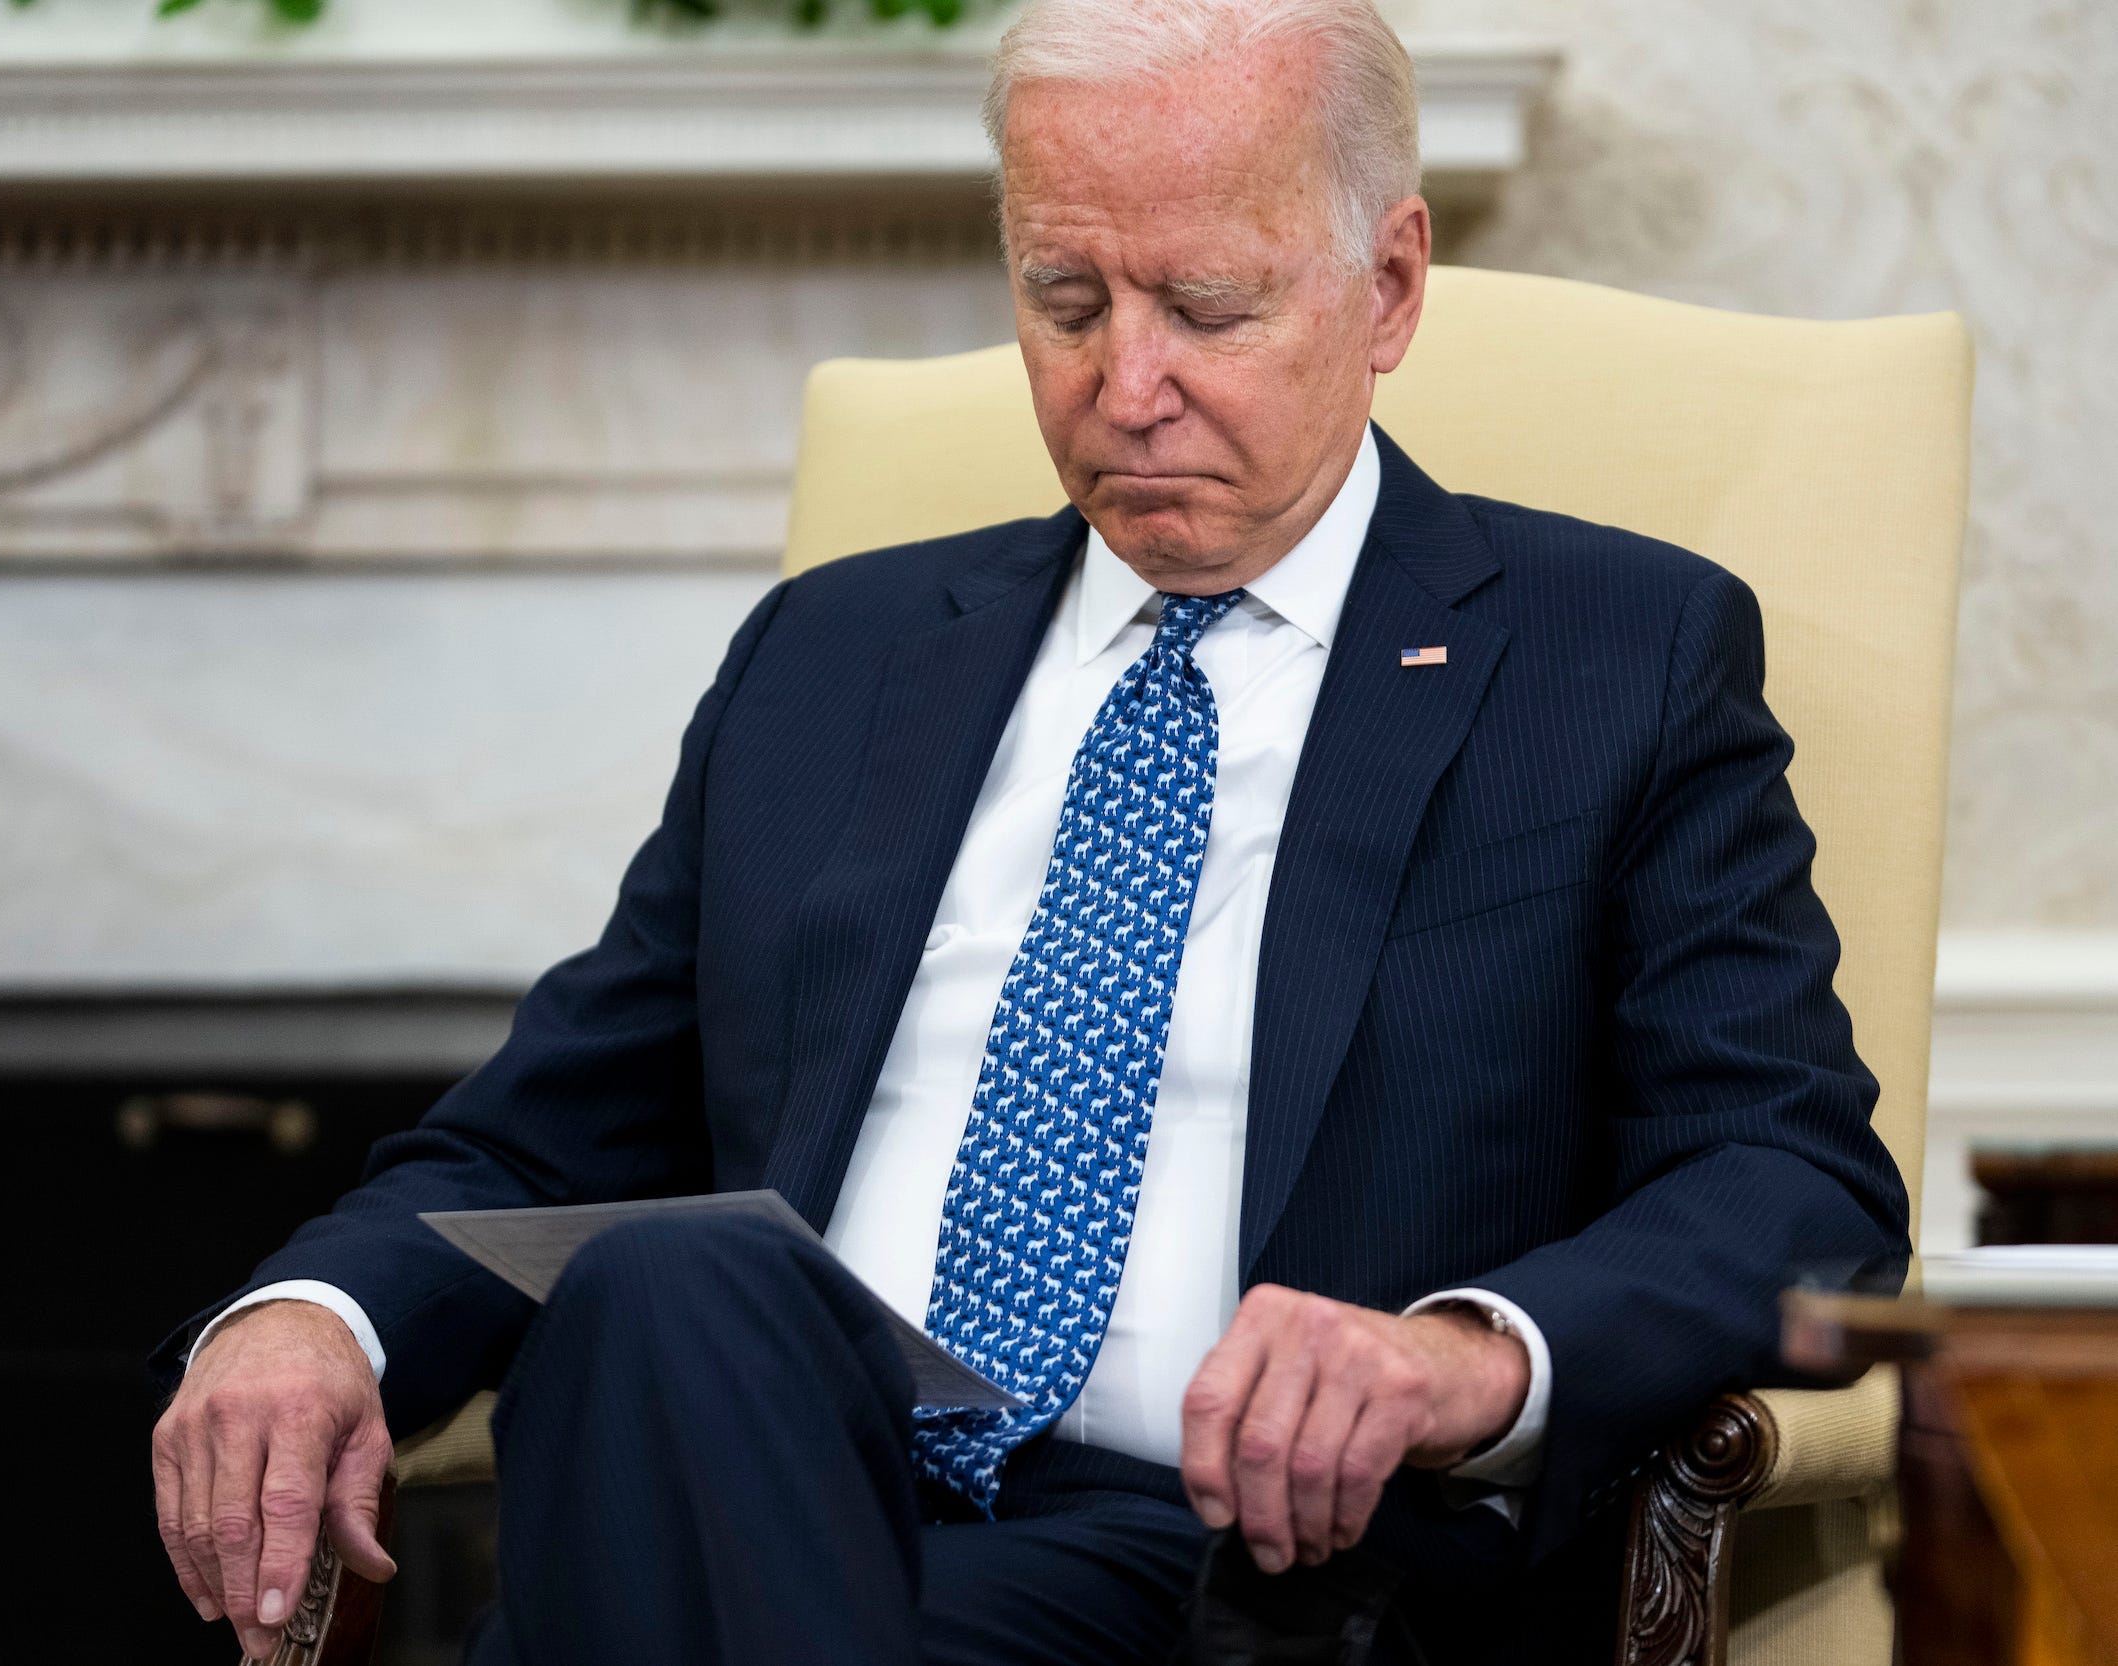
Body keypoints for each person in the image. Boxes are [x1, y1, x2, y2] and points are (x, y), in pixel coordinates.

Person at [148, 1, 1910, 1661]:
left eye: (1205, 309)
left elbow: (1793, 1177)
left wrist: (1457, 1354)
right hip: (782, 1472)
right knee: (672, 1286)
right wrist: (312, 1318)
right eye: (1064, 299)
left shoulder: (1612, 655)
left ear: (1386, 286)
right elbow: (537, 1148)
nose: (1122, 386)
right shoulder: (832, 658)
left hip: (1244, 1566)